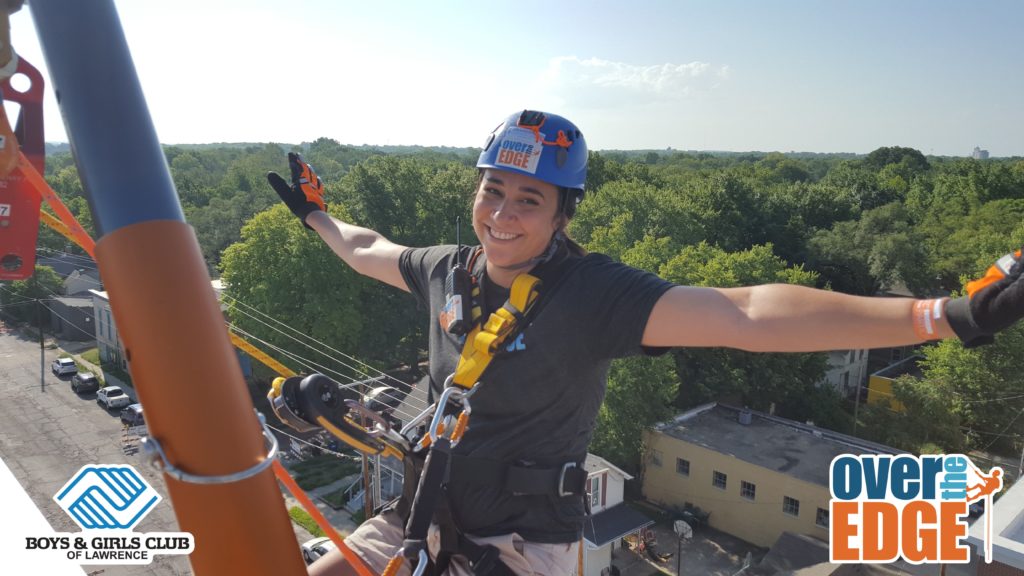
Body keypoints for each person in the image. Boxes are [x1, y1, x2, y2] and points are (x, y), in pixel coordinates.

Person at [268, 110, 1024, 576]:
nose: (502, 214)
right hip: (422, 512)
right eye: (492, 189)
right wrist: (315, 216)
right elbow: (368, 248)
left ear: (562, 215)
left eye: (528, 199)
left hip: (521, 545)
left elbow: (746, 313)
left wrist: (941, 316)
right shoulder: (447, 272)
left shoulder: (592, 295)